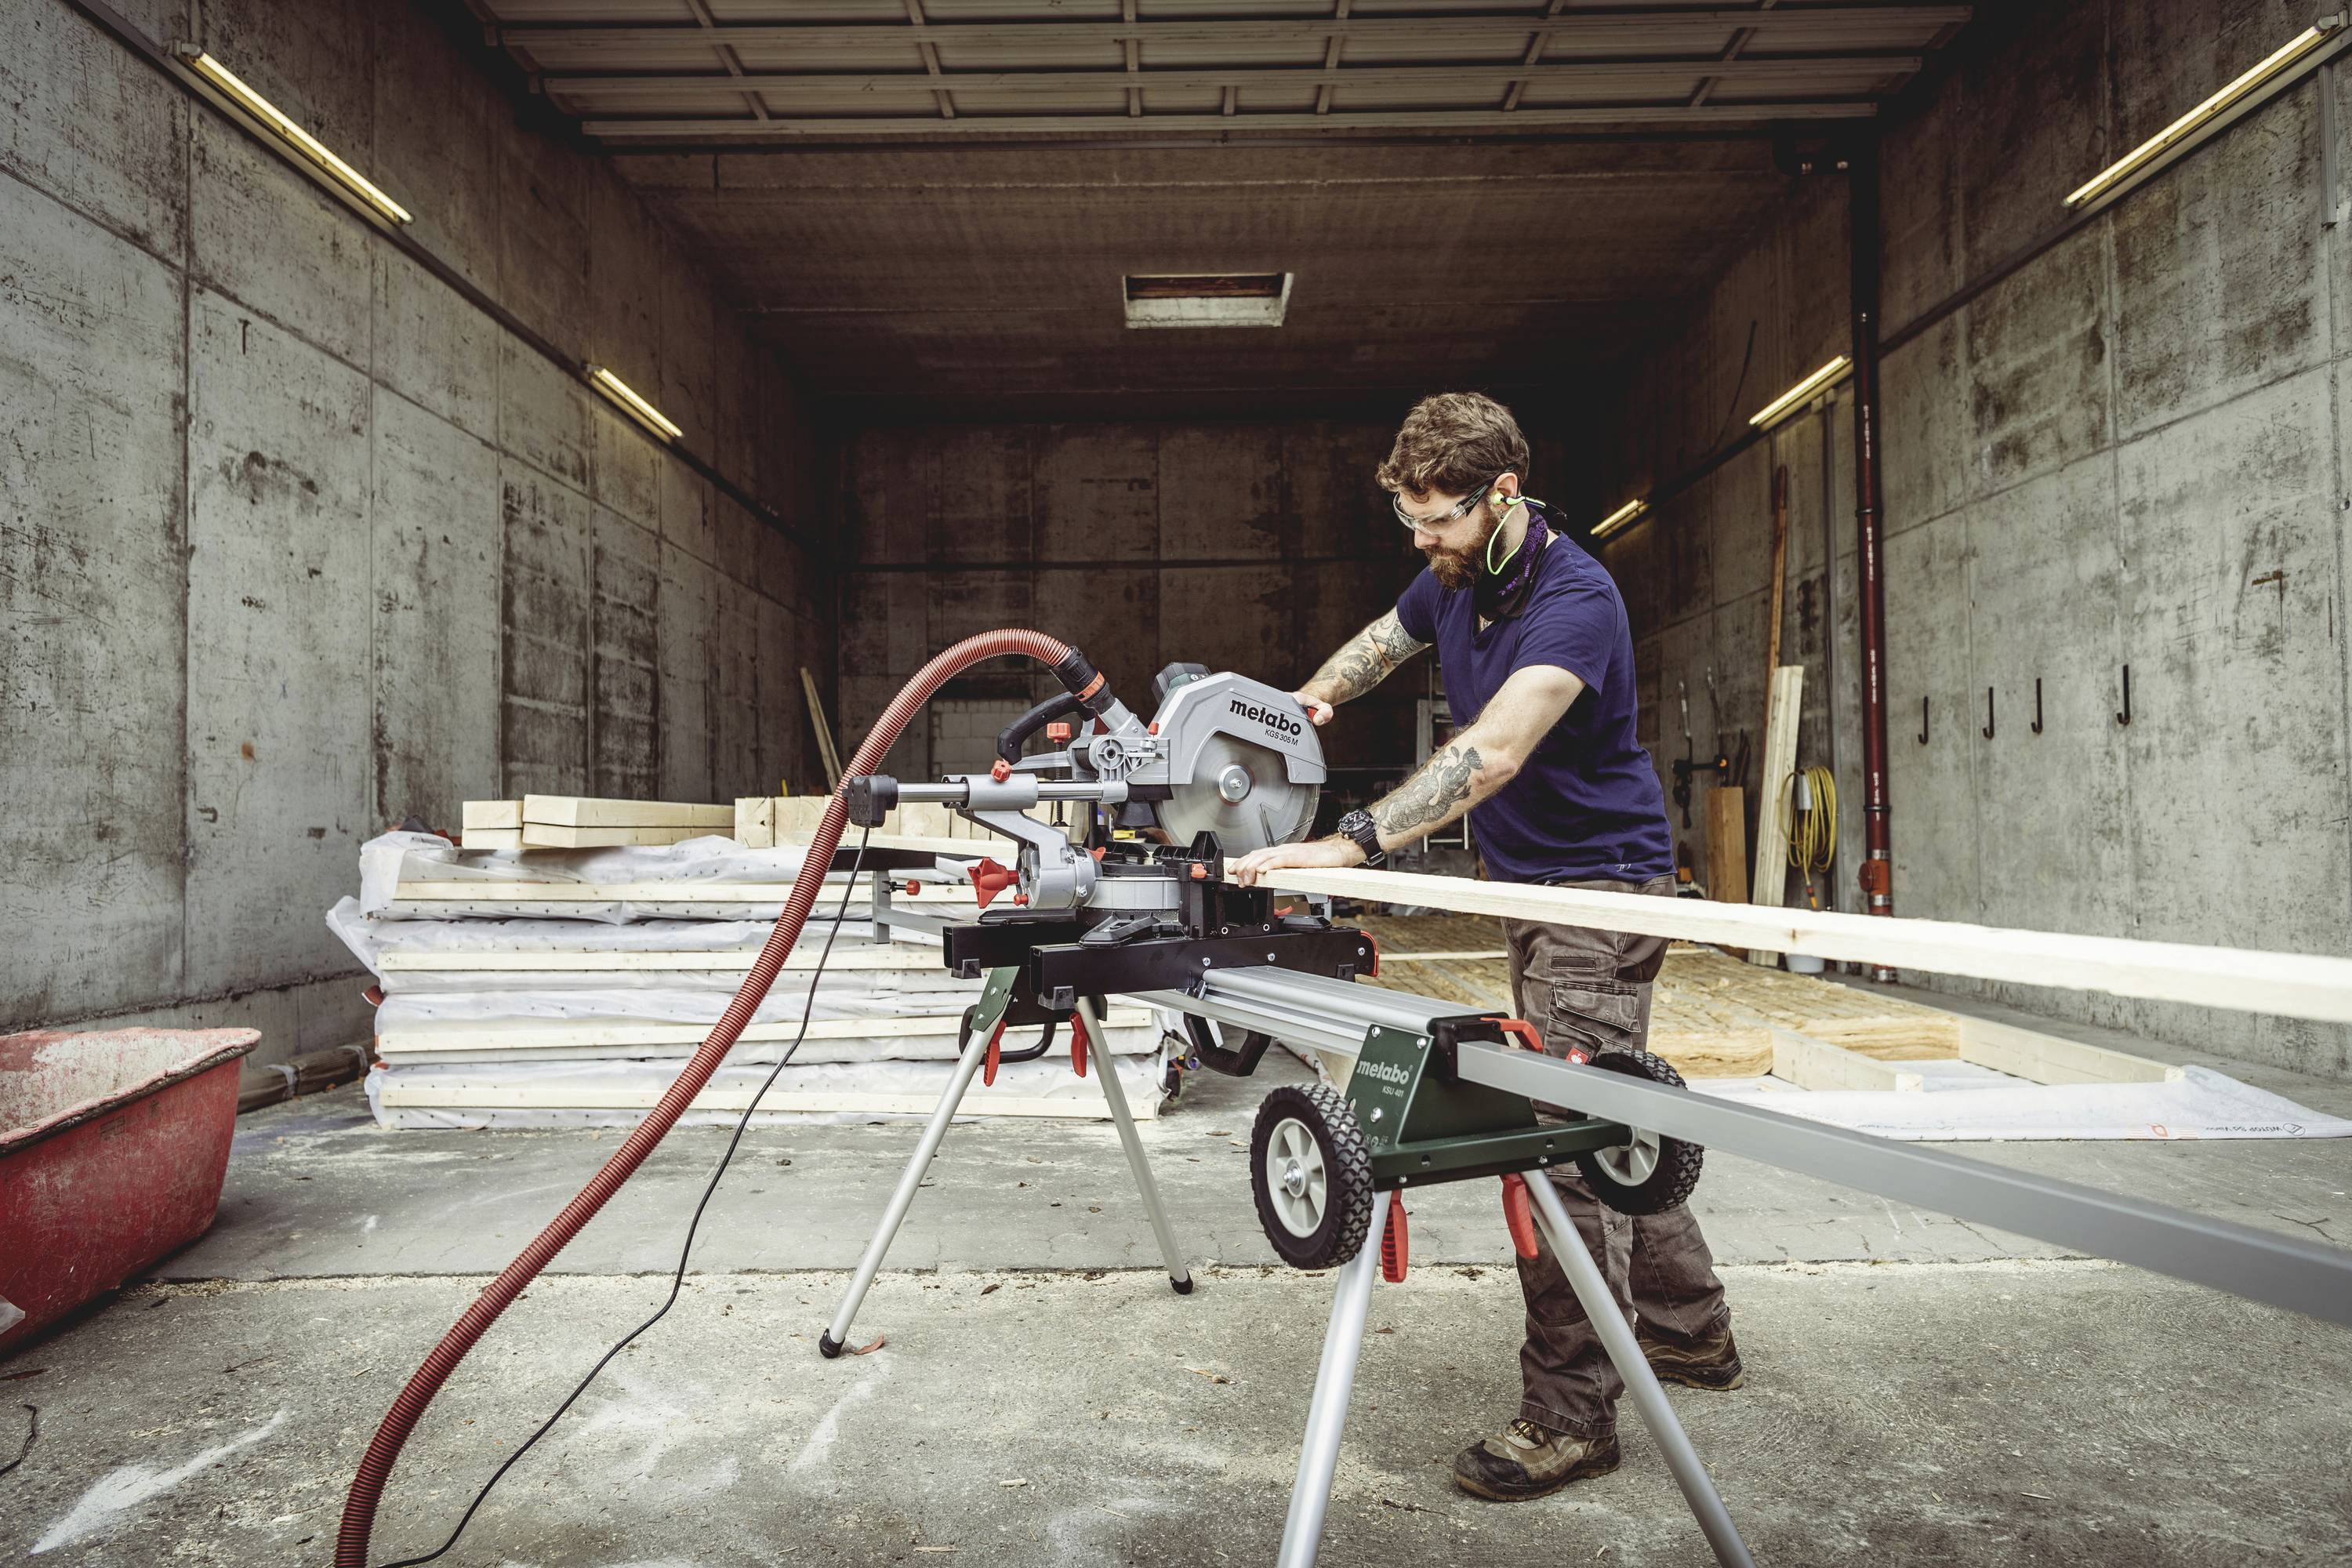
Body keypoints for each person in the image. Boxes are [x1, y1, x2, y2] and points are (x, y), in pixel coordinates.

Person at [1231, 391, 1742, 1502]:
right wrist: (1293, 710)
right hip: (1536, 887)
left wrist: (1357, 840)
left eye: (1438, 521)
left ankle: (1569, 1418)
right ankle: (1689, 1328)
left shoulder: (1577, 598)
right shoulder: (1457, 572)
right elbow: (1384, 642)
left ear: (1502, 494)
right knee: (1616, 1108)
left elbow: (1498, 751)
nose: (1422, 544)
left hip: (1600, 895)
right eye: (1409, 523)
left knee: (1565, 1145)